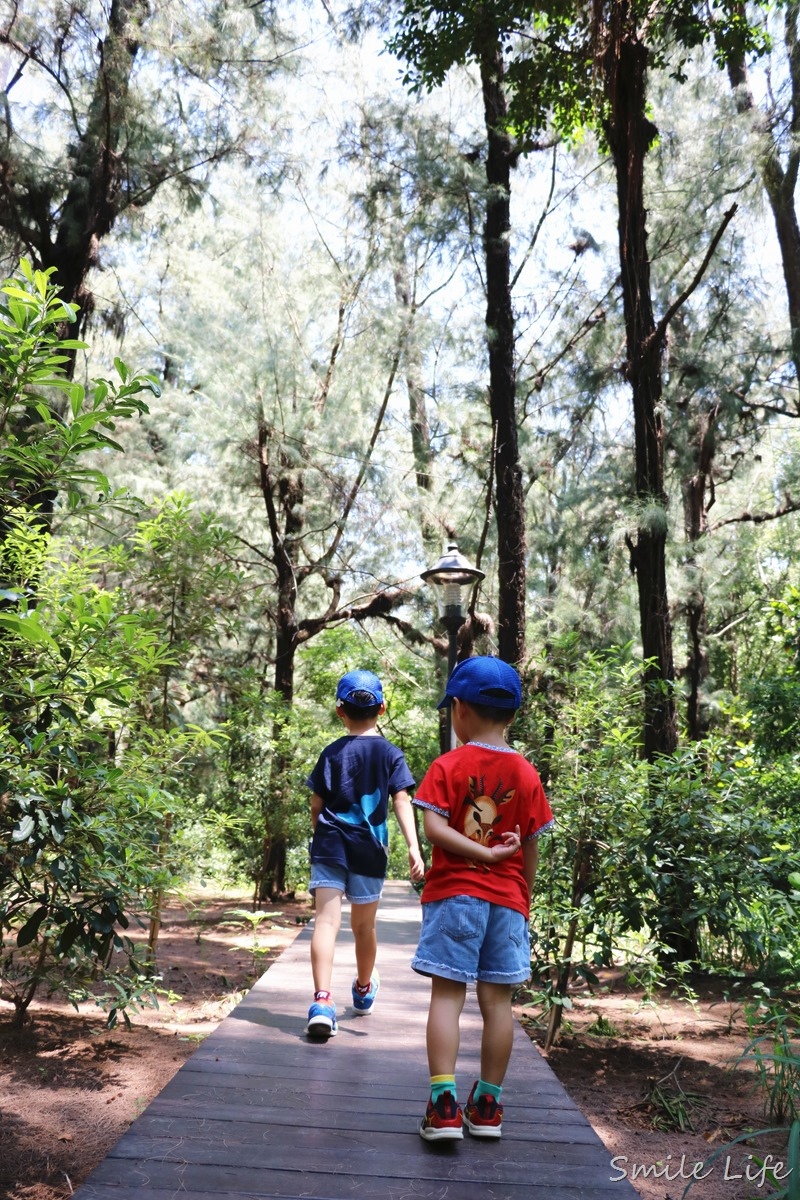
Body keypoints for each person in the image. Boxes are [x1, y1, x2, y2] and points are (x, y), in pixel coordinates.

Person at [411, 655, 554, 1140]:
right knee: (498, 1005)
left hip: (455, 895)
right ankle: (488, 1106)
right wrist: (521, 892)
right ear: (512, 715)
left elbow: (433, 826)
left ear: (458, 710)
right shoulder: (528, 775)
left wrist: (477, 856)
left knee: (447, 998)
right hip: (507, 902)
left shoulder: (449, 764)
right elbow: (531, 845)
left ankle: (444, 1107)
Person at [305, 668, 425, 1039]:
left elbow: (315, 804)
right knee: (364, 927)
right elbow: (402, 800)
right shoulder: (391, 754)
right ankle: (361, 988)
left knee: (326, 923)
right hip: (370, 849)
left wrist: (320, 832)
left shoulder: (331, 753)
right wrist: (413, 846)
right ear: (383, 709)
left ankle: (322, 1001)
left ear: (340, 711)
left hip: (329, 845)